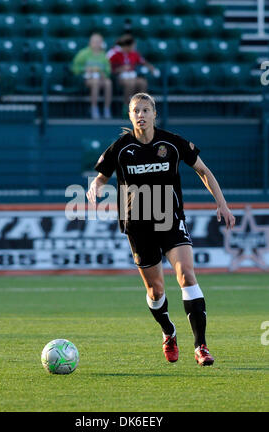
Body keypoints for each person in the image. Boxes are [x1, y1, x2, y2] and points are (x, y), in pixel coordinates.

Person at [87, 92, 236, 366]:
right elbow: (100, 177)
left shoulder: (172, 143)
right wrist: (94, 188)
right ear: (129, 116)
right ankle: (168, 332)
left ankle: (200, 346)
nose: (141, 115)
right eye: (136, 111)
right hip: (138, 225)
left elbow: (203, 170)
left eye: (146, 110)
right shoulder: (120, 148)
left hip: (170, 219)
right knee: (156, 291)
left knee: (187, 276)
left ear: (155, 114)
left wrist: (222, 204)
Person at [107, 34, 159, 117]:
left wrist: (152, 69)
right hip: (119, 78)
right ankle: (127, 108)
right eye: (132, 45)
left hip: (132, 76)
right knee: (130, 83)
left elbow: (143, 62)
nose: (134, 47)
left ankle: (141, 108)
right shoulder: (114, 53)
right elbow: (108, 68)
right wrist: (120, 69)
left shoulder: (134, 53)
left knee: (142, 82)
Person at [72, 33, 112, 119]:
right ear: (90, 42)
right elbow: (75, 68)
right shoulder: (83, 53)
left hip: (101, 78)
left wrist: (103, 74)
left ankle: (107, 108)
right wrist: (85, 70)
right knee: (95, 82)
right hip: (87, 79)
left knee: (108, 83)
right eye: (95, 42)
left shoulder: (103, 55)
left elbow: (108, 70)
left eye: (99, 42)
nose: (96, 44)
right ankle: (94, 108)